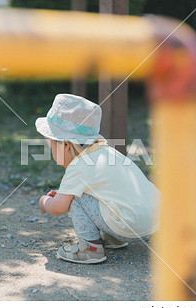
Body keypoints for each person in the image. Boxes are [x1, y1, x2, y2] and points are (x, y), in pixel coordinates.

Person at [36, 93, 160, 264]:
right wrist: (65, 193)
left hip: (127, 225)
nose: (51, 152)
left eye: (51, 146)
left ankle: (91, 249)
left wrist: (44, 202)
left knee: (77, 199)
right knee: (96, 194)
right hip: (153, 217)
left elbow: (58, 207)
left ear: (65, 145)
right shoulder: (108, 153)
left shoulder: (79, 166)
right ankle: (113, 238)